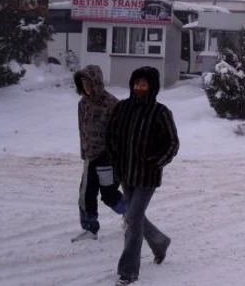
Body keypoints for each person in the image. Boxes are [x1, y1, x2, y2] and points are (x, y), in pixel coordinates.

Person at [108, 67, 179, 286]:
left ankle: (128, 272)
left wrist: (156, 162)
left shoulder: (161, 113)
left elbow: (172, 144)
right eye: (136, 83)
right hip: (125, 172)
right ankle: (160, 243)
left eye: (143, 84)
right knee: (133, 216)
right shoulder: (122, 108)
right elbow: (110, 135)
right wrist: (114, 155)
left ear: (152, 87)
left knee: (132, 219)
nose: (138, 87)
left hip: (147, 177)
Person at [72, 65, 126, 242]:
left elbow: (121, 133)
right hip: (90, 158)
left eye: (88, 82)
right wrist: (84, 153)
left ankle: (130, 215)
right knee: (85, 195)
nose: (85, 86)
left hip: (107, 159)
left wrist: (116, 156)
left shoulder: (112, 103)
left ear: (96, 82)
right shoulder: (83, 104)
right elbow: (83, 130)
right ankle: (90, 229)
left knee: (109, 196)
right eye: (82, 83)